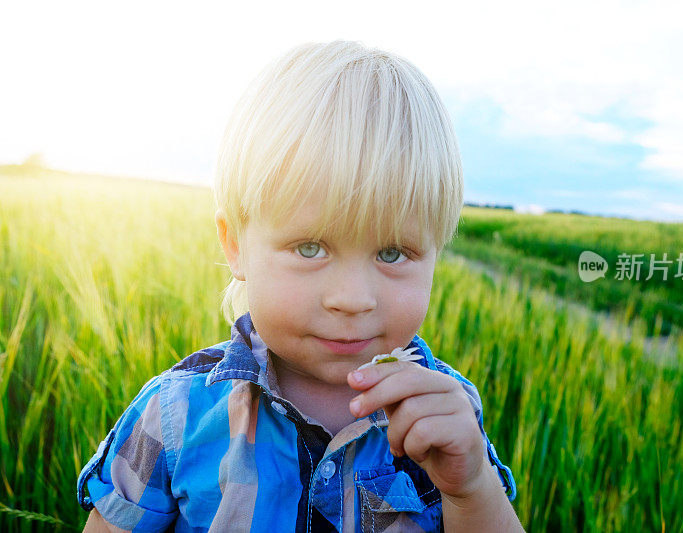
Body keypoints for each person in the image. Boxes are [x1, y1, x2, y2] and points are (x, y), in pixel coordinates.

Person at [77, 40, 521, 532]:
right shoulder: (173, 417)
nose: (352, 299)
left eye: (392, 253)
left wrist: (473, 487)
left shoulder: (445, 412)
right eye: (310, 248)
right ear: (235, 245)